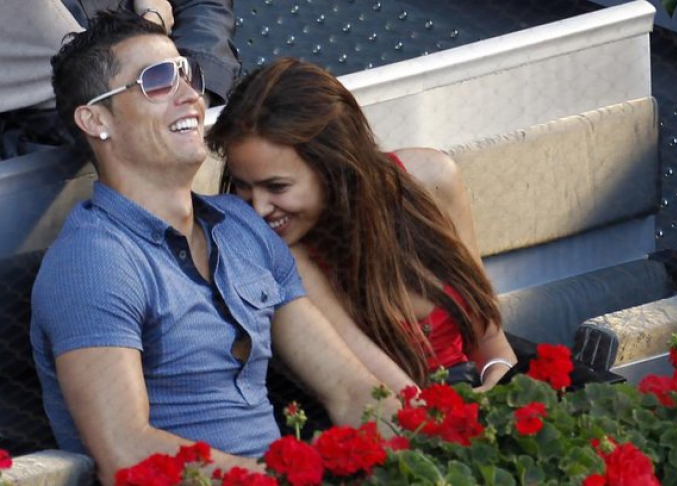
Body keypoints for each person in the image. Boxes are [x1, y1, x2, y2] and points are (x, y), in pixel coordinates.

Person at [30, 12, 407, 486]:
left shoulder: (240, 226)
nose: (191, 94)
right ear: (96, 119)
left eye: (186, 73)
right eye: (158, 81)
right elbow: (125, 450)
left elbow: (350, 391)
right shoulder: (93, 261)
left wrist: (439, 455)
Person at [206, 58, 518, 394]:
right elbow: (390, 393)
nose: (258, 208)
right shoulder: (284, 257)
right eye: (243, 186)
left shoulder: (432, 179)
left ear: (333, 168)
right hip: (398, 414)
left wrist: (499, 384)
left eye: (277, 187)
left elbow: (490, 337)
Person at [0, 0, 240, 159]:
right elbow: (70, 77)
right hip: (48, 164)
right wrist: (150, 24)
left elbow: (203, 7)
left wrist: (193, 87)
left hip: (183, 123)